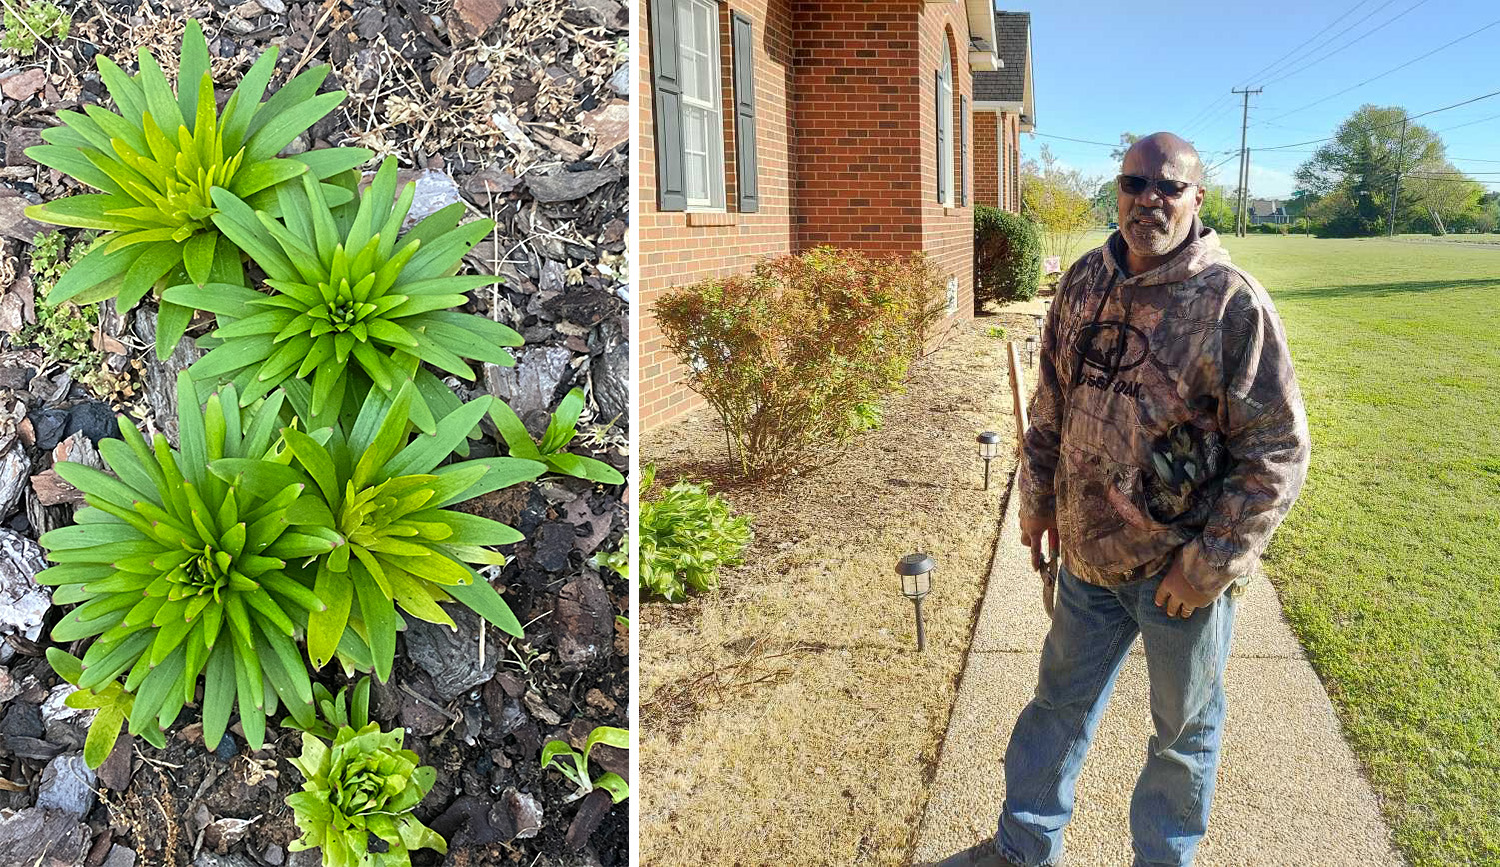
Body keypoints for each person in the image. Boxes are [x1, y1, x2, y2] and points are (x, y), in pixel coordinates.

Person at [994, 132, 1312, 867]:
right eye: (1135, 183)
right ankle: (1023, 845)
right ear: (1118, 192)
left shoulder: (1231, 303)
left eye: (1169, 186)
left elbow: (1276, 449)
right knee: (1057, 706)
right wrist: (1038, 498)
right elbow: (1051, 402)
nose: (1150, 200)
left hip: (1179, 578)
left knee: (1182, 734)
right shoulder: (1083, 281)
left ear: (1197, 198)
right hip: (1088, 565)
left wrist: (1208, 566)